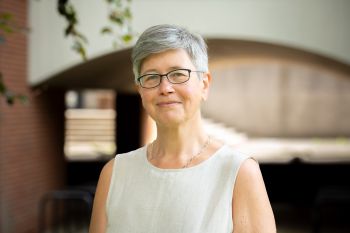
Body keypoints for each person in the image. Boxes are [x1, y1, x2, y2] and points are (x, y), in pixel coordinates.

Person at [89, 24, 276, 233]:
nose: (165, 88)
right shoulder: (115, 174)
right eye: (151, 77)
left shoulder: (238, 173)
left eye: (178, 74)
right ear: (140, 90)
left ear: (204, 84)